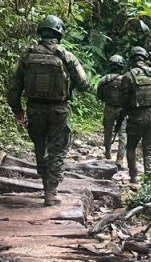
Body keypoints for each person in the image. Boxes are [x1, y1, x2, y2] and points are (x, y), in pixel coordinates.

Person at [7, 15, 89, 206]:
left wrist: (17, 109)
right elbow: (84, 83)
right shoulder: (65, 55)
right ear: (59, 33)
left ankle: (45, 185)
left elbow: (14, 87)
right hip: (58, 110)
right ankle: (51, 192)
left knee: (40, 147)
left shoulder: (27, 55)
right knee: (57, 150)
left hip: (34, 108)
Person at [121, 46, 151, 184]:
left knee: (131, 147)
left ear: (132, 59)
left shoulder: (128, 76)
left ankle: (134, 177)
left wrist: (124, 114)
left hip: (136, 116)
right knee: (149, 148)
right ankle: (150, 178)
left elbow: (124, 100)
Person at [96, 54, 127, 168]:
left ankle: (107, 150)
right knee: (123, 134)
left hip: (109, 108)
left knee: (107, 130)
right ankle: (119, 158)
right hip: (122, 110)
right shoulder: (125, 79)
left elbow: (99, 94)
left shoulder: (105, 79)